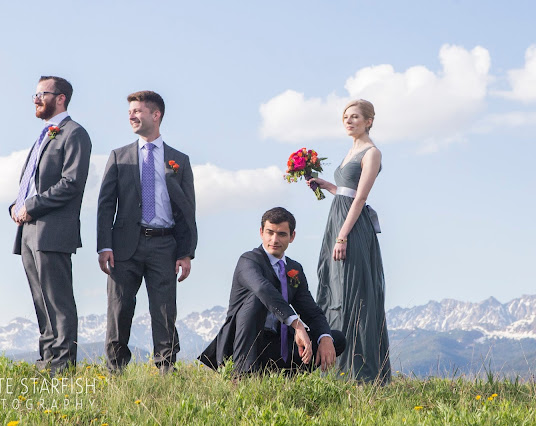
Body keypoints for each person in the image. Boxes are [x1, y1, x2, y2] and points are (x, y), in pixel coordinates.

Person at [97, 91, 197, 375]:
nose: (131, 115)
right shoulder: (119, 157)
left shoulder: (179, 160)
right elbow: (105, 205)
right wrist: (104, 245)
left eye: (138, 110)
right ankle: (115, 370)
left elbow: (188, 210)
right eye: (130, 111)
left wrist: (186, 252)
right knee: (119, 309)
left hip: (165, 245)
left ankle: (166, 369)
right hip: (123, 247)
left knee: (165, 311)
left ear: (156, 115)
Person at [199, 207, 345, 374]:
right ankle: (242, 375)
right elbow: (263, 289)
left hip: (278, 344)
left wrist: (325, 337)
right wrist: (297, 324)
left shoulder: (294, 269)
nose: (274, 239)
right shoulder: (248, 260)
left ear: (292, 237)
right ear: (261, 233)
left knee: (336, 339)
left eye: (282, 234)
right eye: (270, 232)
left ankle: (287, 377)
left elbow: (312, 312)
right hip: (245, 345)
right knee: (257, 299)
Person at [10, 76, 92, 374]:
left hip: (53, 231)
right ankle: (46, 361)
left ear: (60, 98)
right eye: (33, 94)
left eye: (40, 94)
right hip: (28, 232)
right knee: (39, 299)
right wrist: (16, 206)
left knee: (57, 300)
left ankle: (62, 365)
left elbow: (71, 183)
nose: (34, 99)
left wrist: (30, 206)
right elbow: (30, 182)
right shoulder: (43, 136)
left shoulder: (75, 134)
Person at [307, 99, 391, 383]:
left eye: (355, 117)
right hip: (338, 220)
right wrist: (326, 185)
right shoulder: (351, 150)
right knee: (335, 289)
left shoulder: (372, 152)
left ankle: (361, 371)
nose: (348, 121)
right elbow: (345, 191)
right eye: (345, 117)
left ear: (369, 121)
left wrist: (343, 235)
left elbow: (361, 197)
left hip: (351, 228)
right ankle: (333, 364)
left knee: (355, 293)